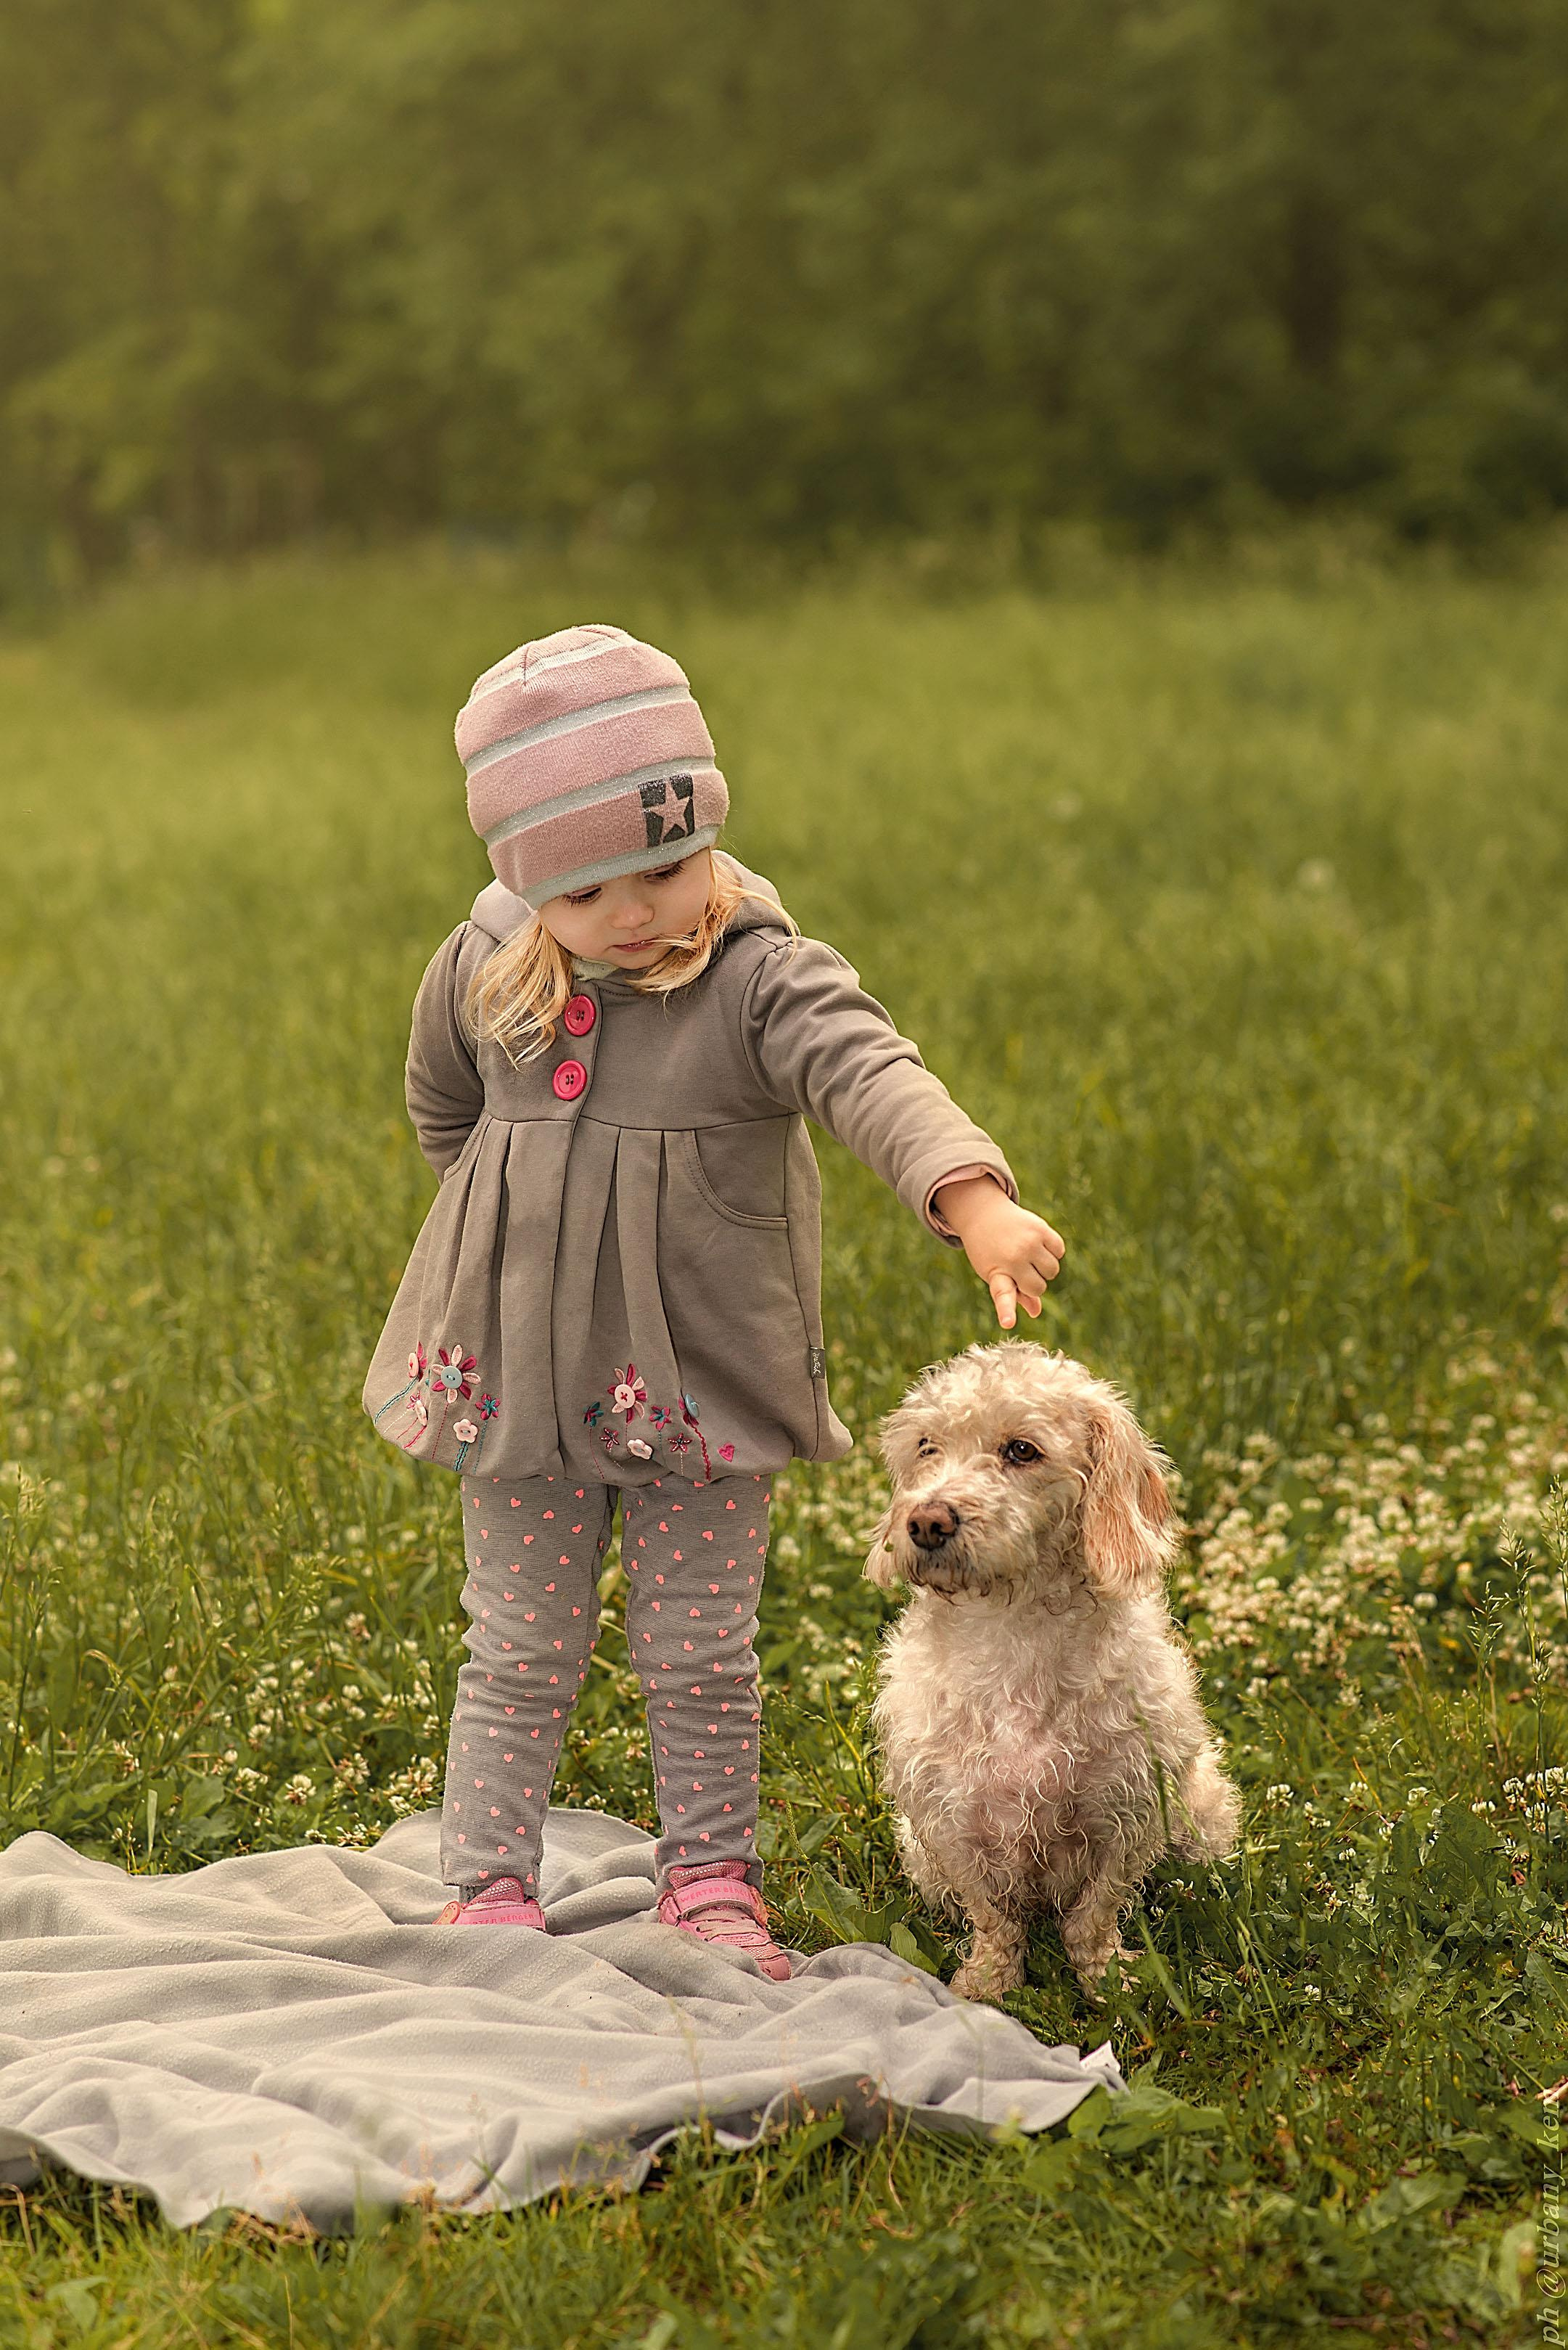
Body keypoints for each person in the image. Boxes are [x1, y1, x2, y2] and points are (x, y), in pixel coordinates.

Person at [362, 624, 1064, 1978]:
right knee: (515, 1643)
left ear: (708, 829)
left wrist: (969, 1194)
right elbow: (441, 1106)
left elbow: (871, 1071)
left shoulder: (755, 978)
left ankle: (709, 1878)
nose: (632, 913)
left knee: (697, 1653)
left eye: (666, 866)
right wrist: (499, 1221)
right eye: (584, 891)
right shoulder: (482, 969)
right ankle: (490, 1881)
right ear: (522, 883)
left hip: (695, 1382)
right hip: (518, 1380)